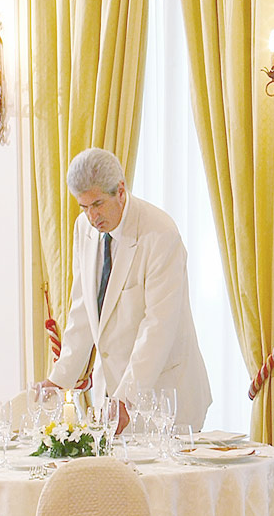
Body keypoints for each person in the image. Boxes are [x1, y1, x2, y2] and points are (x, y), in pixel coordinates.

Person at [41, 147, 212, 431]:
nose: (92, 216)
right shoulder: (84, 229)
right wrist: (59, 379)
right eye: (84, 207)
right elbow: (82, 310)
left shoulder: (160, 234)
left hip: (166, 397)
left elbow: (158, 326)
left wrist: (126, 398)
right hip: (110, 394)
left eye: (98, 204)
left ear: (120, 191)